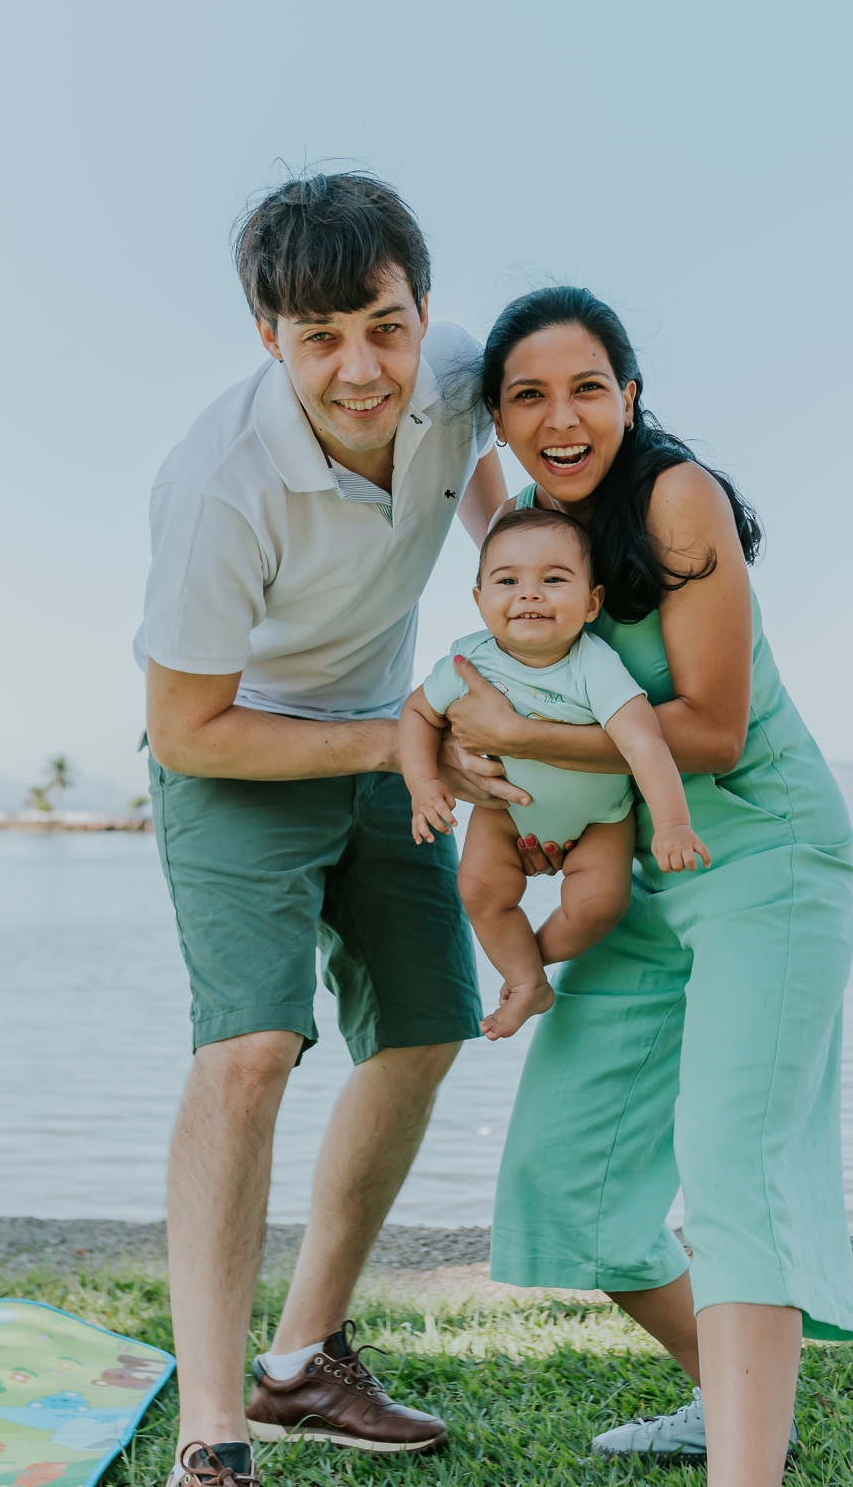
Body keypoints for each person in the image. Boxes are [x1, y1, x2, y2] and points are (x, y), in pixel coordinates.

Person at [137, 172, 530, 1487]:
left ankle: (303, 1360)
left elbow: (481, 467)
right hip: (244, 749)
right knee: (250, 1050)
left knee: (424, 1032)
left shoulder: (461, 374)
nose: (361, 368)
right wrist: (402, 739)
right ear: (271, 339)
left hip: (385, 734)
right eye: (320, 338)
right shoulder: (216, 486)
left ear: (424, 309)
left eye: (385, 324)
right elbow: (190, 730)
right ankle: (215, 1432)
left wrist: (508, 578)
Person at [440, 287, 853, 1487]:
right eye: (528, 395)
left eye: (588, 388)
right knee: (565, 1176)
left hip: (762, 858)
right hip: (633, 876)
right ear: (501, 421)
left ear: (631, 394)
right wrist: (490, 765)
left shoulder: (679, 496)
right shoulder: (526, 525)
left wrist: (520, 731)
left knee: (735, 1167)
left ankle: (746, 1468)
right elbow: (472, 494)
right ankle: (736, 1407)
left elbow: (717, 729)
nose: (561, 416)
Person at [400, 506, 711, 1037]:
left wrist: (673, 824)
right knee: (478, 890)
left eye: (553, 580)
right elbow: (417, 715)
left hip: (600, 819)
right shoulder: (468, 662)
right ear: (479, 601)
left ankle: (530, 964)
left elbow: (646, 744)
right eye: (507, 581)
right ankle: (526, 983)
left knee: (599, 905)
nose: (530, 593)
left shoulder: (595, 665)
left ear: (592, 604)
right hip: (505, 816)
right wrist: (424, 784)